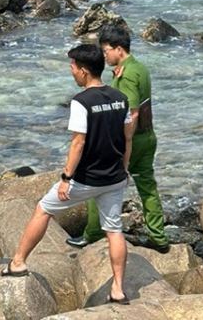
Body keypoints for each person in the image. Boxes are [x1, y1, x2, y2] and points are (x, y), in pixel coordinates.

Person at [0, 44, 133, 304]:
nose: (71, 71)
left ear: (83, 71)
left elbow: (78, 143)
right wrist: (125, 170)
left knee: (43, 209)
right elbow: (128, 139)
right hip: (115, 177)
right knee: (114, 231)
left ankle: (17, 263)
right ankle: (118, 289)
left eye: (72, 66)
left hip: (85, 179)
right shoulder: (120, 98)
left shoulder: (81, 101)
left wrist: (66, 178)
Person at [66, 25, 170, 253]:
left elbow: (131, 112)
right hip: (149, 135)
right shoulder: (140, 68)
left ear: (119, 49)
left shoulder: (126, 75)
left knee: (98, 184)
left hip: (133, 139)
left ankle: (91, 235)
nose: (104, 56)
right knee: (148, 186)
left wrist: (122, 143)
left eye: (106, 51)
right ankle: (159, 237)